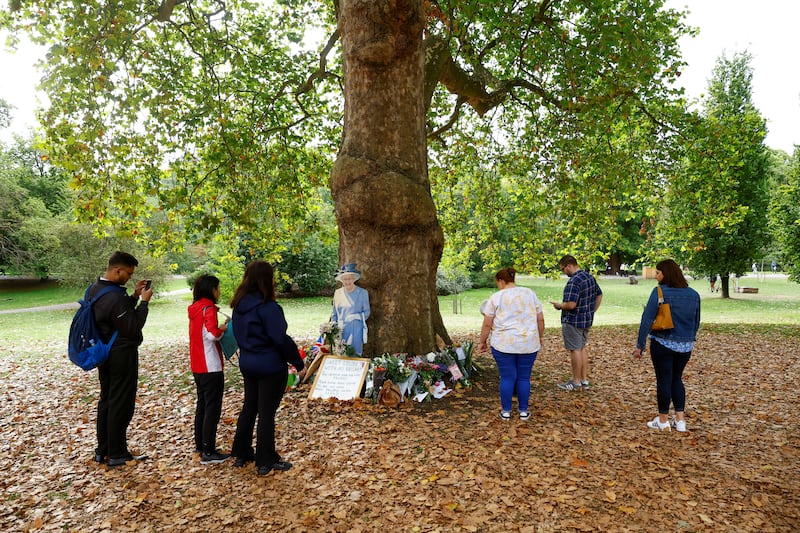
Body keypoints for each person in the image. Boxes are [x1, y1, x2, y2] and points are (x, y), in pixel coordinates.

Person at [230, 261, 306, 475]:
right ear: (267, 279)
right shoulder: (268, 307)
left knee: (250, 408)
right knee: (266, 413)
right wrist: (297, 361)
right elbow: (279, 339)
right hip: (269, 365)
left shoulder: (239, 305)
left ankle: (241, 452)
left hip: (248, 362)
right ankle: (265, 460)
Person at [91, 251, 152, 467]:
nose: (129, 277)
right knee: (121, 402)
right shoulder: (114, 296)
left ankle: (103, 450)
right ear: (117, 270)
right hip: (121, 354)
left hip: (103, 351)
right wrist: (144, 303)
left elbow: (118, 315)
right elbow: (132, 327)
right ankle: (117, 453)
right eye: (128, 273)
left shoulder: (96, 289)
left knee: (107, 399)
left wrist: (134, 297)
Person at [632, 259, 700, 432]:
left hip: (662, 342)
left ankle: (663, 420)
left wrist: (640, 345)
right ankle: (680, 421)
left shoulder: (659, 292)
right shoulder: (693, 294)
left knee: (664, 380)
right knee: (676, 379)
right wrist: (690, 339)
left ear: (666, 274)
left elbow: (647, 319)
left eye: (658, 272)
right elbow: (696, 321)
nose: (656, 276)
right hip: (685, 346)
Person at [478, 267, 545, 421]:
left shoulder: (496, 298)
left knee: (507, 378)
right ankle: (523, 411)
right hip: (528, 343)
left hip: (503, 344)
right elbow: (540, 319)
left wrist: (483, 341)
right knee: (523, 378)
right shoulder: (530, 294)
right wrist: (540, 336)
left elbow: (487, 323)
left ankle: (506, 411)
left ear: (501, 281)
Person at [187, 274, 231, 465]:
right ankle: (209, 451)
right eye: (218, 288)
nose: (219, 292)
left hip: (197, 364)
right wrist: (223, 328)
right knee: (212, 408)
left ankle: (201, 445)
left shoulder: (196, 308)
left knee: (203, 406)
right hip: (210, 365)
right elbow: (213, 334)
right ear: (212, 290)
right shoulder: (209, 308)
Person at [550, 255, 603, 391]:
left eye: (563, 269)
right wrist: (592, 311)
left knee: (575, 350)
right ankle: (584, 379)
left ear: (568, 266)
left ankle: (575, 381)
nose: (563, 272)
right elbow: (599, 294)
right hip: (586, 320)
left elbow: (571, 304)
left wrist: (559, 306)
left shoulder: (573, 281)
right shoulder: (589, 277)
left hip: (573, 321)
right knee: (582, 348)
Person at [330, 263, 370, 356]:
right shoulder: (338, 293)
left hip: (355, 329)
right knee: (341, 354)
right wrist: (333, 328)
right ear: (342, 280)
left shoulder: (362, 293)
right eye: (345, 279)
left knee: (354, 354)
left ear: (354, 279)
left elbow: (367, 312)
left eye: (349, 279)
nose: (347, 281)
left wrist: (356, 316)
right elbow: (334, 313)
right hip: (341, 329)